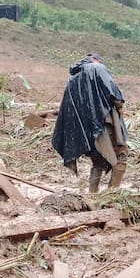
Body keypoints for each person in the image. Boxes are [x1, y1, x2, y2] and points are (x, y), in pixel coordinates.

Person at [51, 53, 128, 193]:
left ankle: (93, 193)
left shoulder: (72, 80)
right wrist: (120, 106)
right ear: (96, 60)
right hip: (104, 124)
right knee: (121, 155)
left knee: (98, 161)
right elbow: (111, 89)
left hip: (86, 131)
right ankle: (112, 193)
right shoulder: (97, 68)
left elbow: (68, 110)